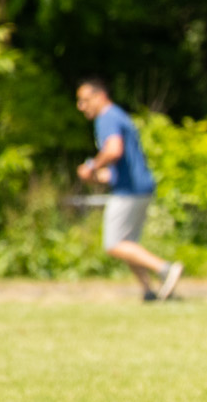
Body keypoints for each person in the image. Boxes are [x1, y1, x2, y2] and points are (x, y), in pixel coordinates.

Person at [73, 79, 183, 302]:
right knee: (128, 242)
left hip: (128, 190)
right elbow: (123, 162)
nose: (81, 106)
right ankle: (148, 291)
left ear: (100, 96)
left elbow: (114, 150)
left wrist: (92, 167)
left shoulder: (107, 118)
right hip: (138, 185)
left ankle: (165, 269)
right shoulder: (119, 116)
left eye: (84, 101)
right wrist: (102, 176)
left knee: (114, 244)